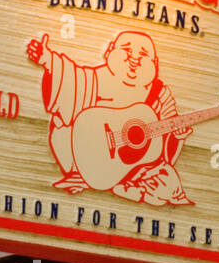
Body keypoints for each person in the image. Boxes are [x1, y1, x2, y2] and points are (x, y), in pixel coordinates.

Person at [24, 30, 192, 205]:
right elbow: (69, 77)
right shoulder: (94, 78)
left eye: (143, 55)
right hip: (82, 153)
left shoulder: (159, 94)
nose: (134, 59)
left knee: (169, 184)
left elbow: (167, 135)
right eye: (127, 50)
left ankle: (124, 186)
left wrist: (177, 136)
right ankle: (97, 180)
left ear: (155, 63)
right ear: (110, 51)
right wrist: (47, 59)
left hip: (134, 167)